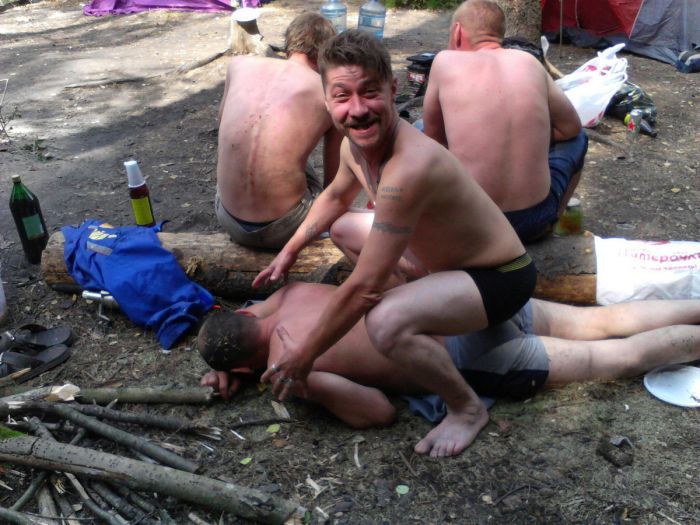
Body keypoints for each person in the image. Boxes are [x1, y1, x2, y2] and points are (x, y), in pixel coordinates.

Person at [252, 30, 537, 458]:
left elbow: (365, 287)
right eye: (343, 96)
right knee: (343, 228)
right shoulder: (354, 147)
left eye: (370, 92)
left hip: (500, 277)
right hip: (447, 267)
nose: (358, 109)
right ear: (327, 101)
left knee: (383, 321)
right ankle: (419, 311)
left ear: (392, 89)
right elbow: (335, 197)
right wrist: (289, 250)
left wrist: (305, 354)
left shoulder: (408, 166)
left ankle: (466, 408)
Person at [200, 282, 700, 453]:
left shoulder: (293, 369)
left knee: (618, 357)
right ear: (246, 315)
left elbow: (378, 412)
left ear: (245, 369)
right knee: (602, 321)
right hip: (466, 306)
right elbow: (243, 321)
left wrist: (310, 387)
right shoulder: (291, 295)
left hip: (470, 360)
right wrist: (227, 360)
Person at [422, 0, 588, 243]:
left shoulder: (445, 61)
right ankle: (551, 223)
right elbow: (571, 128)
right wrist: (531, 136)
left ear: (457, 32)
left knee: (419, 129)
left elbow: (433, 141)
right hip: (533, 221)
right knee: (580, 139)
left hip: (474, 224)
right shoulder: (529, 62)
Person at [215, 12, 343, 249]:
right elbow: (334, 179)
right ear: (325, 53)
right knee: (297, 157)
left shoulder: (238, 65)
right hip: (286, 227)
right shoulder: (329, 92)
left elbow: (222, 121)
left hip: (228, 218)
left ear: (289, 43)